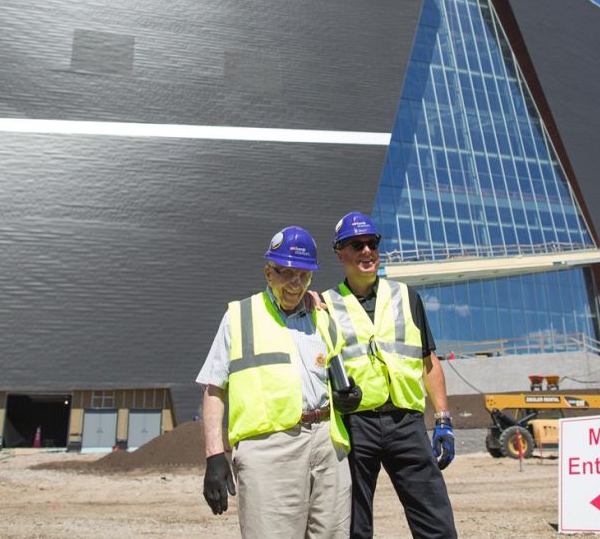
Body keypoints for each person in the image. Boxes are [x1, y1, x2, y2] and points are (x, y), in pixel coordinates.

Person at [196, 226, 363, 539]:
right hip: (268, 450)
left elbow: (339, 375)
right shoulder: (240, 317)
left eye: (304, 275)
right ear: (268, 273)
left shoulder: (322, 316)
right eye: (287, 273)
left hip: (327, 446)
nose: (295, 284)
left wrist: (348, 396)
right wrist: (214, 455)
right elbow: (214, 389)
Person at [320, 211, 458, 539]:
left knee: (434, 517)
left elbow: (428, 360)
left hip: (406, 422)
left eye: (372, 243)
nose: (367, 251)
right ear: (341, 253)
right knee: (354, 523)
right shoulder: (324, 305)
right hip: (356, 425)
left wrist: (443, 419)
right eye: (357, 245)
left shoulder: (406, 297)